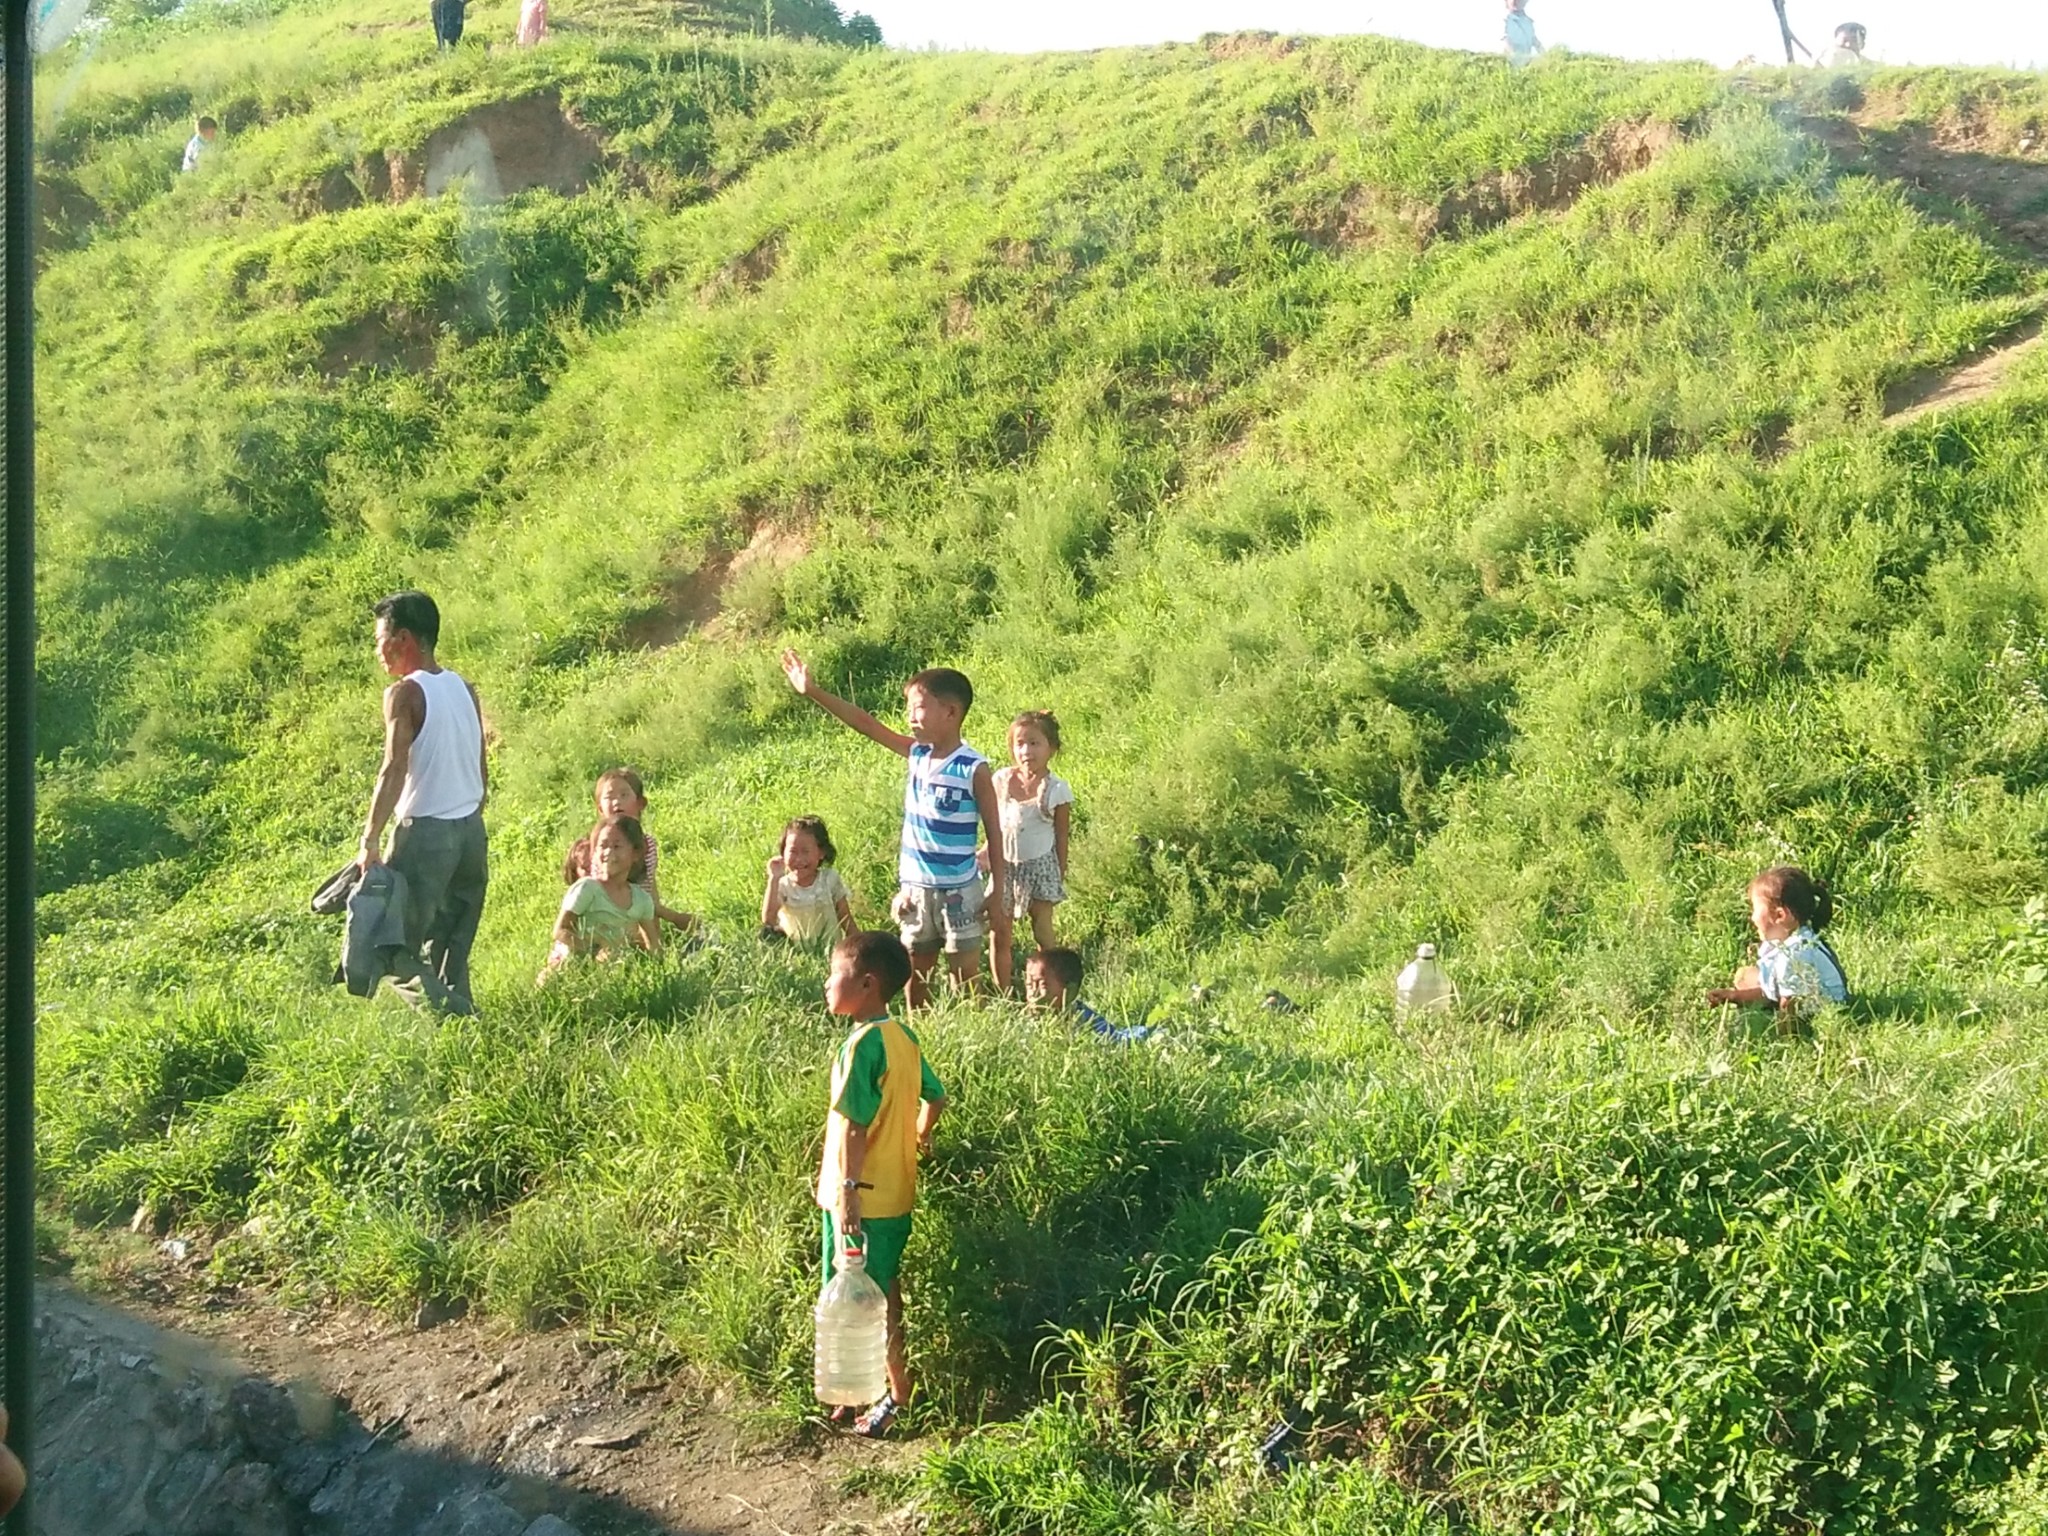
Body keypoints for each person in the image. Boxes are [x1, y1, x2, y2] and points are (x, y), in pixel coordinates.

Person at [780, 650, 1005, 1007]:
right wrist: (813, 691)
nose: (910, 716)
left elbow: (996, 833)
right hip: (916, 891)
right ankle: (921, 1039)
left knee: (965, 979)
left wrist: (996, 890)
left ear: (950, 712)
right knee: (916, 978)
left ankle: (971, 1032)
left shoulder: (973, 768)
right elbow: (866, 724)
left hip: (960, 892)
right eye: (909, 708)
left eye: (919, 707)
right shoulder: (917, 754)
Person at [816, 931, 945, 1437]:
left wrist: (847, 1190)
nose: (827, 985)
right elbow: (935, 1097)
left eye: (835, 975)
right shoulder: (903, 1040)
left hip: (861, 1201)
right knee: (872, 1293)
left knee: (868, 1300)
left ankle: (896, 1397)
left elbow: (852, 1125)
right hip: (892, 1194)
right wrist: (918, 1139)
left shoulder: (863, 1044)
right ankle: (854, 1394)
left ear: (866, 984)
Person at [357, 591, 488, 1015]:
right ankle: (464, 1023)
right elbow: (481, 769)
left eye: (381, 640)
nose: (378, 651)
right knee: (451, 945)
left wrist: (370, 838)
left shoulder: (404, 694)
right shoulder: (463, 689)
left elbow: (393, 768)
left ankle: (461, 1022)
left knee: (393, 946)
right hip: (470, 832)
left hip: (425, 836)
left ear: (404, 639)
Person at [984, 711, 1073, 993]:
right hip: (1005, 867)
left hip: (1040, 866)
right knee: (1000, 931)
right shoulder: (1001, 781)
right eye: (1020, 743)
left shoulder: (1056, 790)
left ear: (1052, 749)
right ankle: (1004, 991)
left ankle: (1052, 985)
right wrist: (986, 852)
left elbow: (1061, 834)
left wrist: (1060, 870)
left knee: (1042, 930)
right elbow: (994, 822)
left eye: (1034, 744)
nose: (1026, 751)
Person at [1706, 865, 1849, 1028]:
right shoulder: (1791, 940)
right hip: (1805, 999)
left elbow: (1790, 1007)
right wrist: (1734, 996)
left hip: (1824, 1012)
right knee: (1744, 976)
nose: (1752, 918)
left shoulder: (1794, 955)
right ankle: (1744, 998)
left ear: (1780, 915)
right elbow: (1773, 989)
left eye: (1755, 909)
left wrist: (1780, 1036)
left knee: (1752, 995)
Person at [563, 768, 697, 933]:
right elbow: (615, 893)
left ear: (641, 803)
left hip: (642, 917)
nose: (616, 802)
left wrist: (655, 929)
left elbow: (649, 886)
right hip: (608, 924)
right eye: (609, 797)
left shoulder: (648, 844)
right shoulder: (602, 851)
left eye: (624, 795)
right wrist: (673, 917)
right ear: (600, 809)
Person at [543, 814, 661, 974]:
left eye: (617, 846)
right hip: (567, 972)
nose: (608, 852)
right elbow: (560, 931)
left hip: (608, 976)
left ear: (636, 854)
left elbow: (653, 946)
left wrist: (654, 972)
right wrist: (593, 952)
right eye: (602, 846)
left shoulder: (642, 900)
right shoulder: (587, 889)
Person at [761, 814, 858, 944]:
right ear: (783, 853)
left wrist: (859, 945)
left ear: (821, 853)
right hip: (798, 956)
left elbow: (845, 918)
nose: (799, 859)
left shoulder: (829, 880)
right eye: (793, 851)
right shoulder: (783, 886)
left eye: (805, 851)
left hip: (831, 950)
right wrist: (773, 878)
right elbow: (769, 920)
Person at [1025, 947, 1152, 1043]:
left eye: (1042, 986)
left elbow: (1113, 1043)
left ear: (1070, 991)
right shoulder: (1028, 1024)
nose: (1033, 994)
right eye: (1029, 986)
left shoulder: (1084, 1021)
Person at [1503, 0, 1541, 67]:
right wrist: (1514, 57)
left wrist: (1548, 56)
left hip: (1526, 65)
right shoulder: (1504, 20)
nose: (1516, 2)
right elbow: (1506, 41)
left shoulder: (1528, 22)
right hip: (1510, 65)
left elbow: (1535, 41)